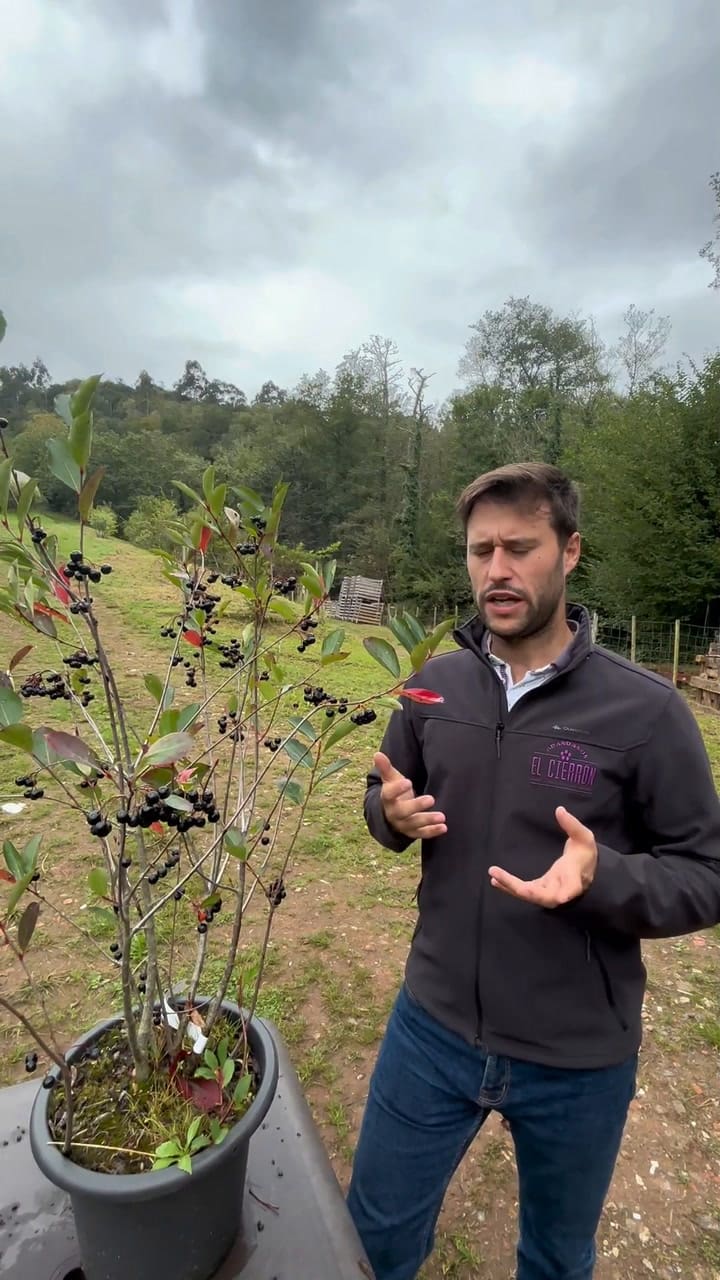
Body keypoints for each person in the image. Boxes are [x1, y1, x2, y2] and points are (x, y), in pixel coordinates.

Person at [347, 462, 720, 1280]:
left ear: (571, 551)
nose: (497, 571)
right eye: (481, 551)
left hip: (576, 1056)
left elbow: (705, 872)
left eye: (520, 547)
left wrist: (605, 879)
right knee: (371, 1237)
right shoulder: (431, 688)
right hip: (431, 1027)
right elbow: (384, 799)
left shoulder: (648, 712)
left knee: (555, 1259)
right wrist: (388, 816)